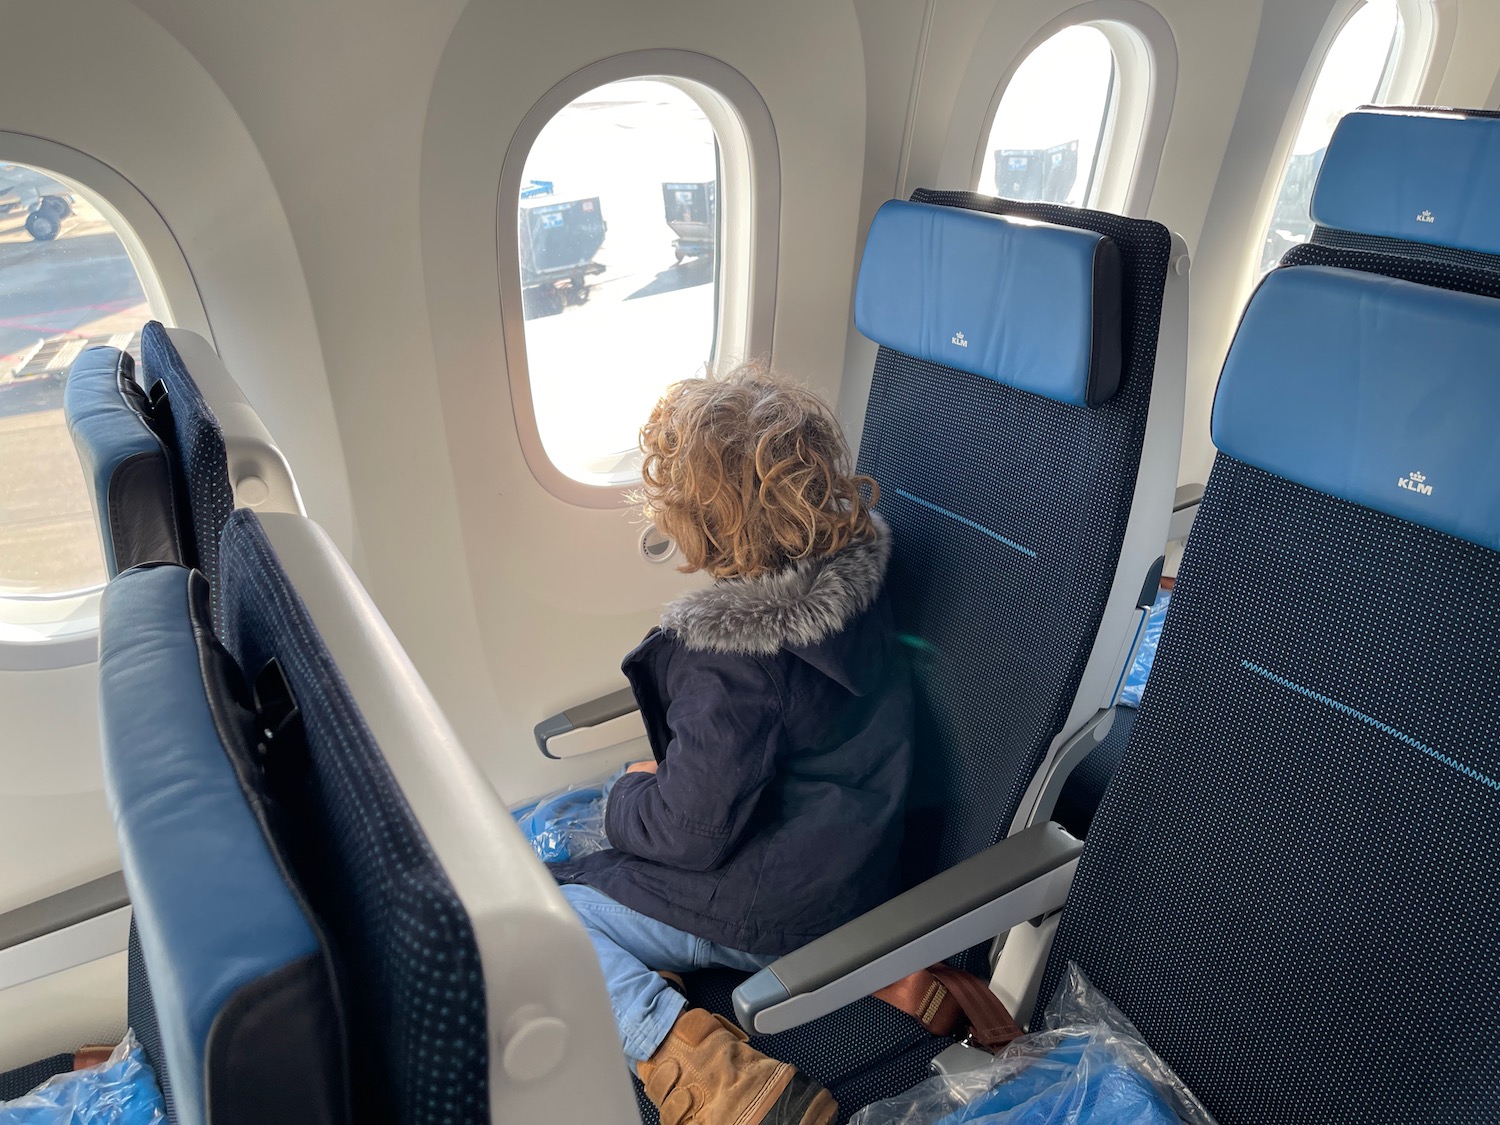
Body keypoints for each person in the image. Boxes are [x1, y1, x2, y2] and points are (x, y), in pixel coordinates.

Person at [548, 362, 915, 1125]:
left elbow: (689, 830)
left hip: (781, 900)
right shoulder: (853, 579)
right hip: (851, 849)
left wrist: (631, 798)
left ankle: (714, 1075)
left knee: (554, 919)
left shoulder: (735, 668)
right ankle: (873, 970)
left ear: (704, 524)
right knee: (611, 819)